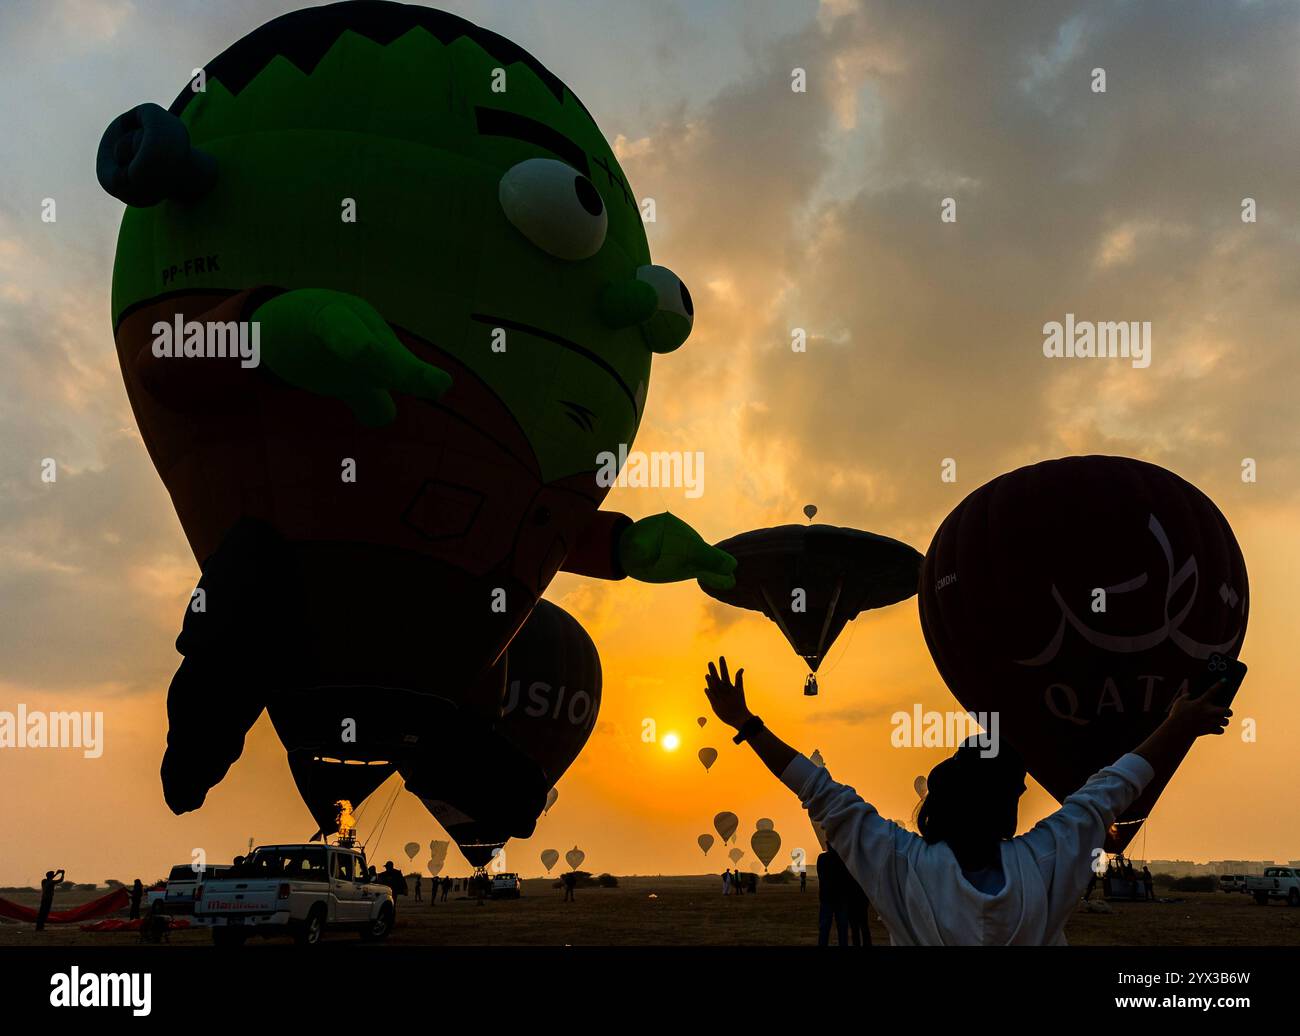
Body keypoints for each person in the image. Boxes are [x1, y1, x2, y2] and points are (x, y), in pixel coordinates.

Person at [702, 655, 1234, 946]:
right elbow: (1110, 791)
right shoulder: (1045, 861)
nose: (1024, 795)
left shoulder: (902, 866)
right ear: (1005, 808)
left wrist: (747, 724)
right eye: (1018, 792)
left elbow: (819, 791)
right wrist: (1178, 726)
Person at [815, 850, 850, 946]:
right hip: (841, 898)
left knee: (824, 928)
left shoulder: (822, 858)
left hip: (827, 897)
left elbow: (820, 876)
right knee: (842, 929)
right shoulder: (843, 858)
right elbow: (848, 877)